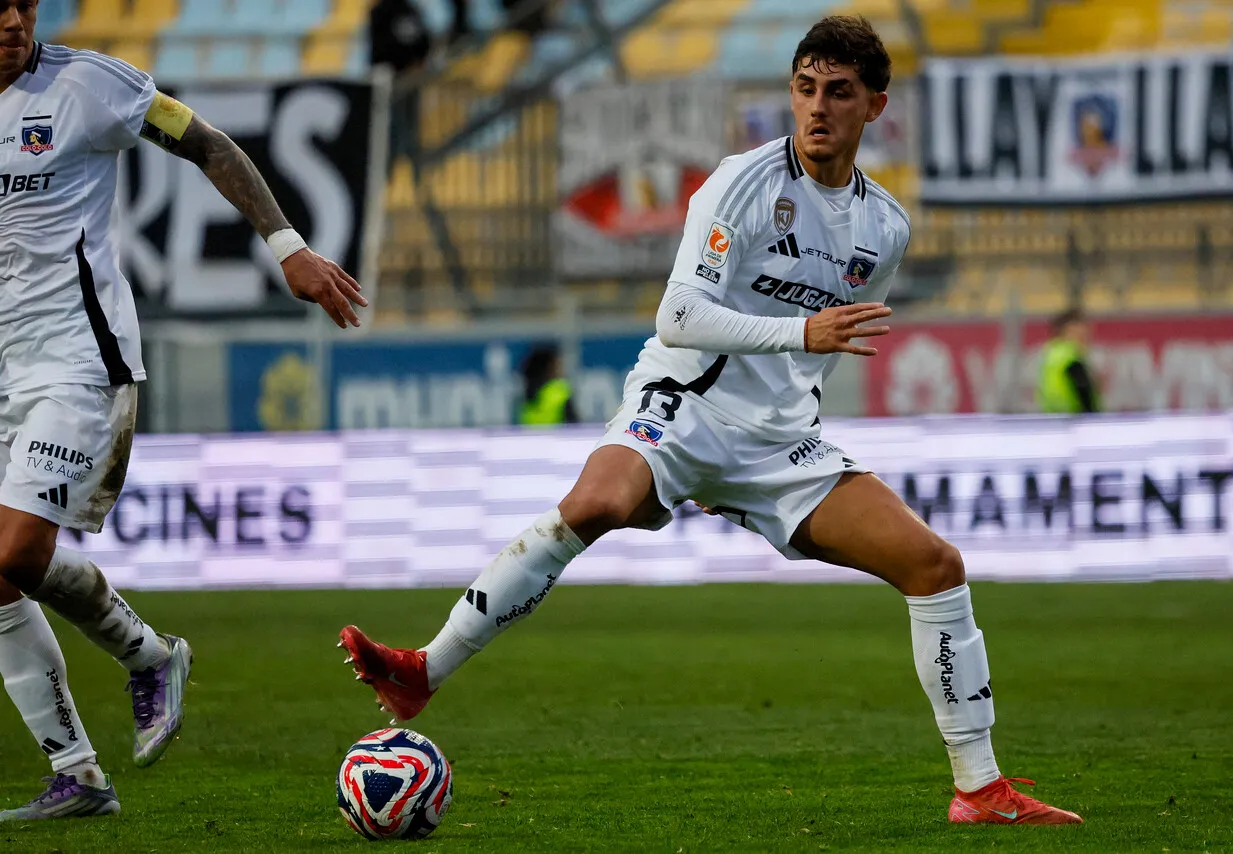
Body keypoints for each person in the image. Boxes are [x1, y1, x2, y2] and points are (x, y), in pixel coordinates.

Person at [340, 15, 1081, 826]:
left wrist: (788, 399)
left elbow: (825, 349)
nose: (818, 107)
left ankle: (979, 789)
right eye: (805, 88)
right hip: (685, 401)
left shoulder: (885, 228)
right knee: (596, 504)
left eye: (839, 92)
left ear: (875, 105)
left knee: (935, 565)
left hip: (778, 442)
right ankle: (424, 669)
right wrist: (798, 334)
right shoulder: (743, 182)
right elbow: (680, 315)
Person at [0, 0, 366, 821]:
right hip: (3, 369)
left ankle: (148, 657)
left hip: (77, 361)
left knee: (16, 553)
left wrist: (288, 248)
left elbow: (208, 143)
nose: (12, 20)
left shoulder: (89, 86)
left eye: (23, 2)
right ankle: (78, 774)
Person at [368, 0, 431, 176]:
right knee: (396, 130)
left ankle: (410, 176)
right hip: (392, 81)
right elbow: (378, 48)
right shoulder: (382, 11)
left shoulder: (409, 10)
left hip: (406, 80)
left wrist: (417, 64)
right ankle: (391, 176)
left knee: (406, 129)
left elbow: (424, 41)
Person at [1037, 309, 1100, 414]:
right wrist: (1093, 416)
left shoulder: (1051, 354)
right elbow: (1083, 388)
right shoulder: (1069, 356)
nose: (1086, 341)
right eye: (1081, 335)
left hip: (1053, 416)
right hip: (1074, 418)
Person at [518, 344, 578, 426]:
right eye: (558, 365)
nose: (562, 369)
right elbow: (576, 425)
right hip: (556, 434)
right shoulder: (560, 391)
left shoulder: (523, 395)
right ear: (550, 367)